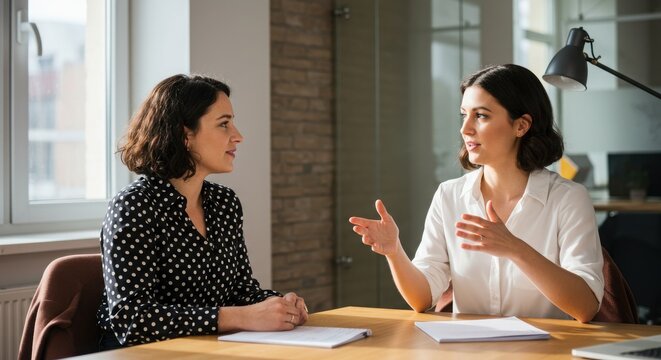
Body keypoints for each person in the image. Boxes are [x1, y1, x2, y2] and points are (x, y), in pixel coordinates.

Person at [349, 64, 604, 322]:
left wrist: (516, 249)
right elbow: (422, 298)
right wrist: (395, 252)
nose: (465, 129)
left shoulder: (568, 199)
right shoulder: (449, 195)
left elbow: (585, 307)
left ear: (521, 125)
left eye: (481, 116)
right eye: (464, 115)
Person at [97, 74, 308, 349]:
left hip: (208, 348)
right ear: (185, 136)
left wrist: (279, 305)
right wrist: (240, 316)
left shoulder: (224, 203)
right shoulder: (133, 206)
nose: (238, 136)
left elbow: (240, 291)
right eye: (224, 124)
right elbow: (132, 319)